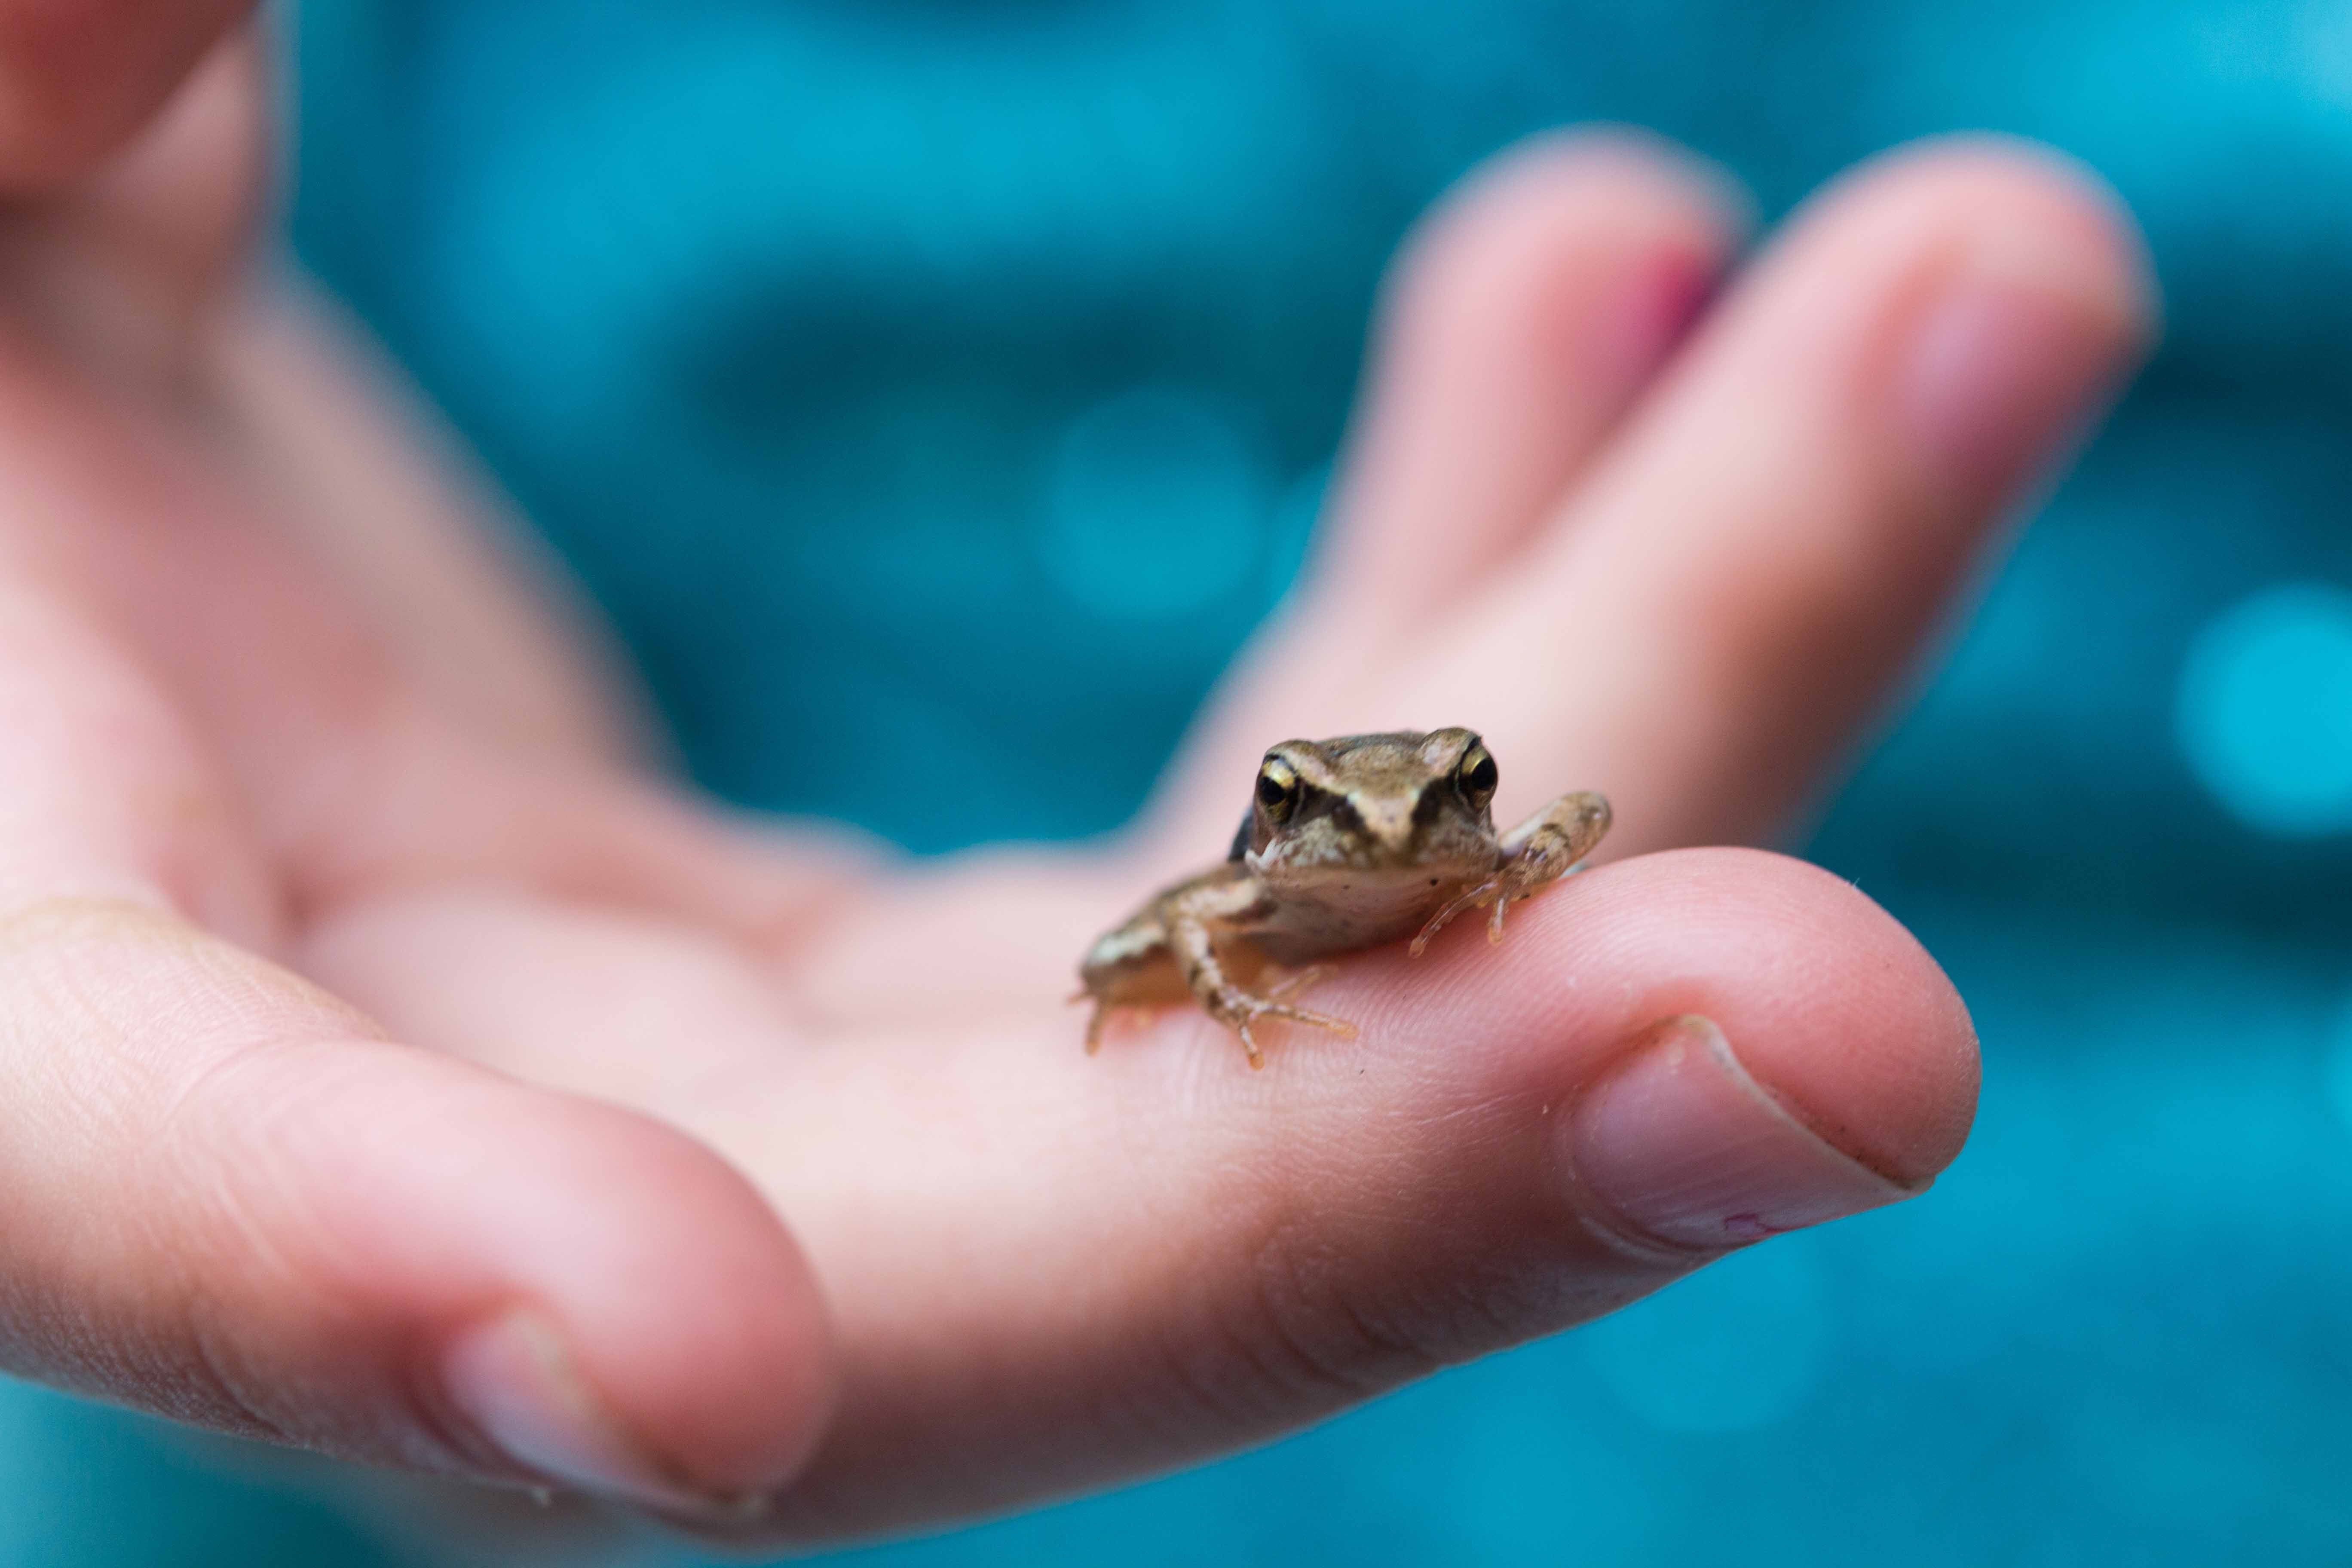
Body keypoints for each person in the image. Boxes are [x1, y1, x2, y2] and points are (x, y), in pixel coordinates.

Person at [0, 3, 2150, 1553]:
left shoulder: (1461, 839)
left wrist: (1501, 871)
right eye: (1350, 811)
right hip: (519, 763)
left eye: (1437, 805)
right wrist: (98, 318)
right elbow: (1195, 922)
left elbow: (1566, 828)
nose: (1396, 839)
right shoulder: (1273, 883)